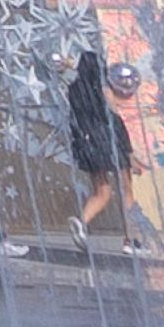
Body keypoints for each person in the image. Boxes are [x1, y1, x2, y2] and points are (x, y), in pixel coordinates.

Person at [67, 43, 130, 240]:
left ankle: (82, 222)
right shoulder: (100, 88)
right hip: (109, 140)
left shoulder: (74, 89)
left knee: (102, 190)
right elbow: (113, 111)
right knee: (126, 189)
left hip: (88, 144)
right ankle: (131, 239)